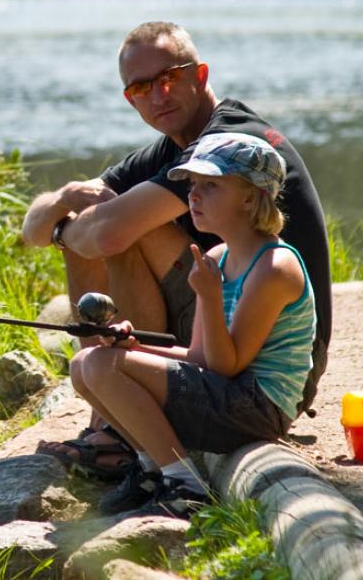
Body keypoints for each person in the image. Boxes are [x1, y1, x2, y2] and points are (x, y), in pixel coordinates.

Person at [22, 22, 331, 491]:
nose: (158, 95)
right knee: (95, 347)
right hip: (218, 340)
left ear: (200, 74)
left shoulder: (232, 146)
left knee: (118, 231)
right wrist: (67, 198)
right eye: (141, 87)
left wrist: (73, 232)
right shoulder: (169, 156)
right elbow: (32, 231)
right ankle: (120, 430)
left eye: (170, 77)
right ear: (130, 97)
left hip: (268, 366)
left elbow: (108, 236)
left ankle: (157, 465)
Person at [68, 132, 316, 518]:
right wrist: (133, 347)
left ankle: (184, 484)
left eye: (211, 186)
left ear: (250, 197)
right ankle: (151, 469)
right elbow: (200, 356)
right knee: (86, 363)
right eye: (194, 185)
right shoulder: (217, 256)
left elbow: (225, 366)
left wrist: (211, 298)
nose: (194, 196)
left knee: (102, 366)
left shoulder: (274, 268)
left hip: (258, 407)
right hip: (228, 392)